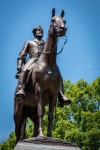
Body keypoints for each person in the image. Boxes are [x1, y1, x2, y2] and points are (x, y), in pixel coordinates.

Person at [16, 26, 71, 106]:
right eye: (38, 30)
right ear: (34, 32)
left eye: (41, 30)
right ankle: (21, 89)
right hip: (33, 59)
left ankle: (61, 95)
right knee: (25, 69)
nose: (40, 31)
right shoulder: (29, 42)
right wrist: (19, 65)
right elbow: (22, 54)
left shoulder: (45, 43)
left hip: (43, 61)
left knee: (58, 73)